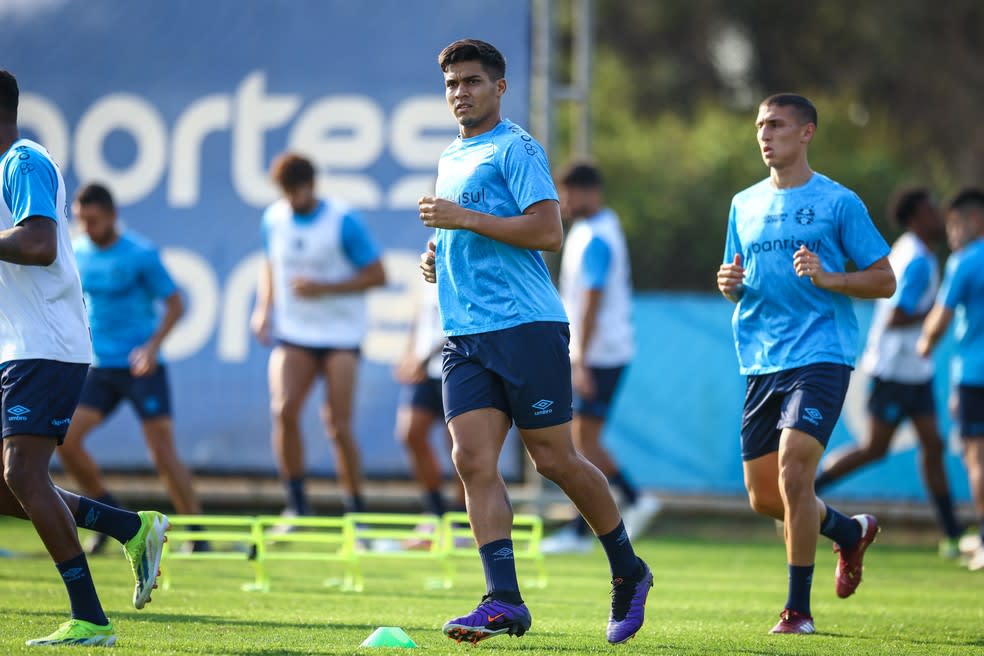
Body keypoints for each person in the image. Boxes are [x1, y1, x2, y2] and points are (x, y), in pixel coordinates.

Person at [418, 39, 651, 646]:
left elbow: (548, 230)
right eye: (451, 84)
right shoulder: (451, 155)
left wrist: (462, 222)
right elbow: (469, 229)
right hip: (464, 334)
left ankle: (629, 570)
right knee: (471, 462)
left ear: (499, 88)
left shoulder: (517, 147)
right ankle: (504, 602)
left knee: (555, 461)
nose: (459, 92)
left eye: (471, 81)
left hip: (525, 327)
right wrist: (438, 255)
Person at [716, 93, 896, 634]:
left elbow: (885, 280)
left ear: (807, 133)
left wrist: (832, 278)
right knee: (765, 496)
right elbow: (734, 275)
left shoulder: (839, 203)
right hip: (760, 359)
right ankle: (846, 531)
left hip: (821, 353)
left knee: (796, 470)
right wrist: (728, 285)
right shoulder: (742, 203)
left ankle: (797, 611)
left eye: (776, 125)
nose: (764, 134)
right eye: (759, 126)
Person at [0, 69, 168, 647]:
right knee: (6, 485)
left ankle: (90, 617)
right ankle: (130, 525)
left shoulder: (24, 161)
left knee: (22, 473)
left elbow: (40, 245)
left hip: (44, 346)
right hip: (17, 348)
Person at [815, 188, 963, 557]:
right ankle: (802, 493)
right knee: (874, 449)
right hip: (895, 370)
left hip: (915, 369)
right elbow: (897, 316)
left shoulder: (918, 252)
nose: (939, 216)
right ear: (915, 217)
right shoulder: (916, 258)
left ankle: (951, 534)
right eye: (931, 209)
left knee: (933, 445)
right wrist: (937, 313)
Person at [57, 182, 202, 556]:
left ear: (112, 216)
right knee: (67, 441)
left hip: (142, 368)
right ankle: (110, 516)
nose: (87, 227)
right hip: (100, 368)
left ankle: (198, 535)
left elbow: (174, 304)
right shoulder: (77, 251)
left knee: (162, 454)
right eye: (81, 220)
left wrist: (152, 347)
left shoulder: (140, 254)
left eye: (94, 220)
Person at [250, 152, 386, 519]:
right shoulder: (274, 219)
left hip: (341, 335)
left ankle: (356, 512)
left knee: (338, 426)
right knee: (284, 411)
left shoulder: (342, 221)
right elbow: (270, 264)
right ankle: (296, 506)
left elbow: (378, 275)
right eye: (285, 192)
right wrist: (264, 308)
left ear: (311, 185)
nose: (292, 200)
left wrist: (324, 287)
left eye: (297, 191)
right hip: (294, 333)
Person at [541, 162, 660, 555]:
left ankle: (598, 519)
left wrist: (581, 360)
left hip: (600, 353)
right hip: (598, 352)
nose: (565, 202)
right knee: (582, 441)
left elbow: (591, 300)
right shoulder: (589, 230)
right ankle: (612, 510)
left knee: (579, 443)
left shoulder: (596, 236)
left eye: (570, 193)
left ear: (590, 192)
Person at [917, 188, 984, 571]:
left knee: (977, 456)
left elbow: (939, 320)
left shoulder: (965, 262)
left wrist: (924, 343)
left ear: (974, 221)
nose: (952, 234)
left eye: (956, 225)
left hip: (976, 374)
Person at [393, 257, 465, 523]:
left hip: (456, 364)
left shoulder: (467, 245)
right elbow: (422, 310)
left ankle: (461, 517)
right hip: (425, 369)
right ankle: (435, 513)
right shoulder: (434, 243)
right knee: (410, 433)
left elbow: (466, 319)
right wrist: (410, 352)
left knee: (460, 448)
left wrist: (423, 358)